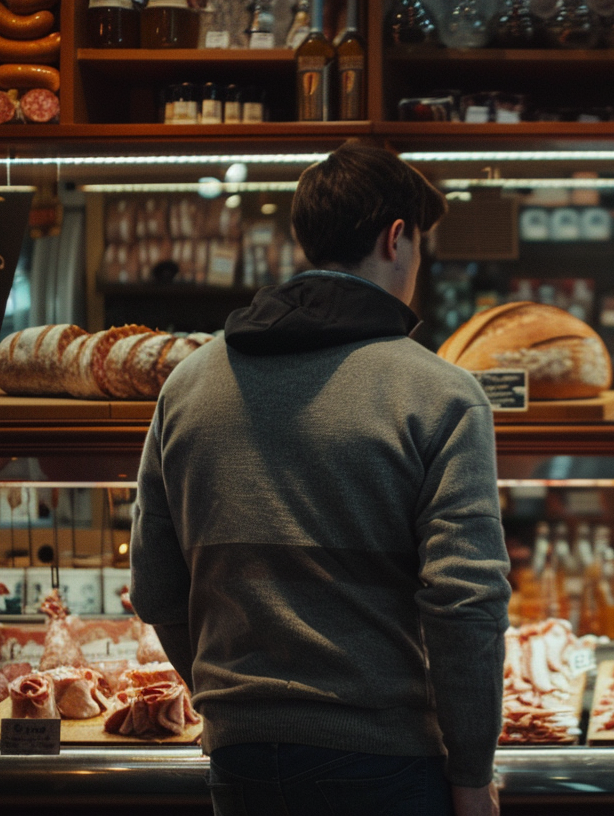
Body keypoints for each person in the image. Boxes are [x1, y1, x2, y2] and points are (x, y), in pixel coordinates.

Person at [129, 142, 511, 816]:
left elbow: (155, 585)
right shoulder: (442, 393)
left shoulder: (186, 384)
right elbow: (464, 601)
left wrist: (237, 705)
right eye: (419, 243)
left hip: (240, 764)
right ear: (397, 239)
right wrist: (472, 774)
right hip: (388, 764)